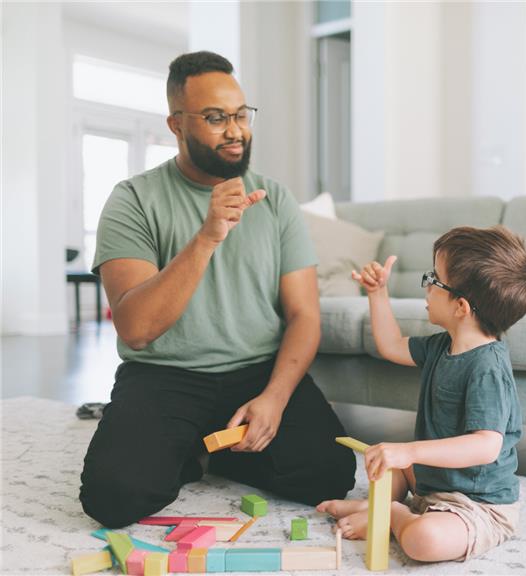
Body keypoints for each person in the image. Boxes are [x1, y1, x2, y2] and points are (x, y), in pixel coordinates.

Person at [79, 51, 355, 528]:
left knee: (329, 474)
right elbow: (137, 329)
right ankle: (193, 447)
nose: (235, 130)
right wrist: (206, 237)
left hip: (256, 372)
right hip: (166, 375)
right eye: (215, 118)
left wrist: (275, 397)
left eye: (241, 114)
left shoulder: (276, 199)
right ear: (176, 124)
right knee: (112, 497)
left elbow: (304, 314)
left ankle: (211, 450)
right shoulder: (133, 200)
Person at [318, 226, 526, 562]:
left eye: (433, 279)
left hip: (476, 504)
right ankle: (383, 506)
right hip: (429, 481)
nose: (426, 286)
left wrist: (409, 450)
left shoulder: (487, 367)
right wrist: (377, 293)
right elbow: (391, 346)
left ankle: (391, 515)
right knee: (387, 465)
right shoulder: (443, 346)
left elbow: (486, 444)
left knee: (424, 541)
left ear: (461, 307)